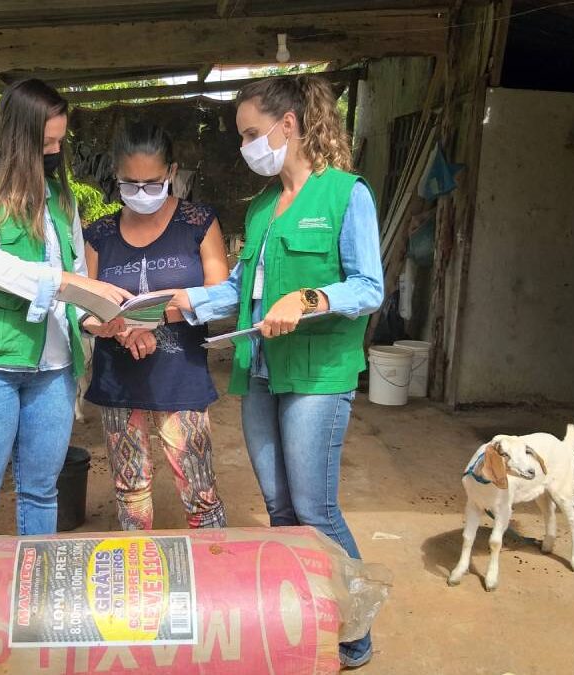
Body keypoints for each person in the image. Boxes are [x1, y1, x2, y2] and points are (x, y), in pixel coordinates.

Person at [170, 75, 384, 669]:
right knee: (281, 509)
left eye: (251, 134)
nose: (246, 147)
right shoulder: (263, 208)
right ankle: (313, 626)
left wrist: (310, 298)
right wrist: (186, 300)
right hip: (259, 371)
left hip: (318, 374)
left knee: (316, 510)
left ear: (288, 126)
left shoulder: (346, 194)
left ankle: (355, 636)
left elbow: (369, 286)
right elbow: (242, 289)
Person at [0, 79, 130, 538]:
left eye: (60, 141)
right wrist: (68, 281)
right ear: (17, 136)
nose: (55, 152)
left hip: (52, 368)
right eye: (46, 142)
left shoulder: (61, 198)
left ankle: (33, 593)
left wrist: (93, 317)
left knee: (42, 491)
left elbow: (77, 271)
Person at [83, 122, 230, 531]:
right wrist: (112, 326)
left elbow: (219, 295)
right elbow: (84, 309)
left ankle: (212, 574)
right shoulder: (98, 235)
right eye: (131, 183)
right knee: (130, 491)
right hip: (118, 382)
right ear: (116, 177)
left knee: (199, 489)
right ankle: (137, 576)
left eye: (152, 182)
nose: (141, 191)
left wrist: (148, 318)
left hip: (180, 377)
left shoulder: (198, 221)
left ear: (172, 172)